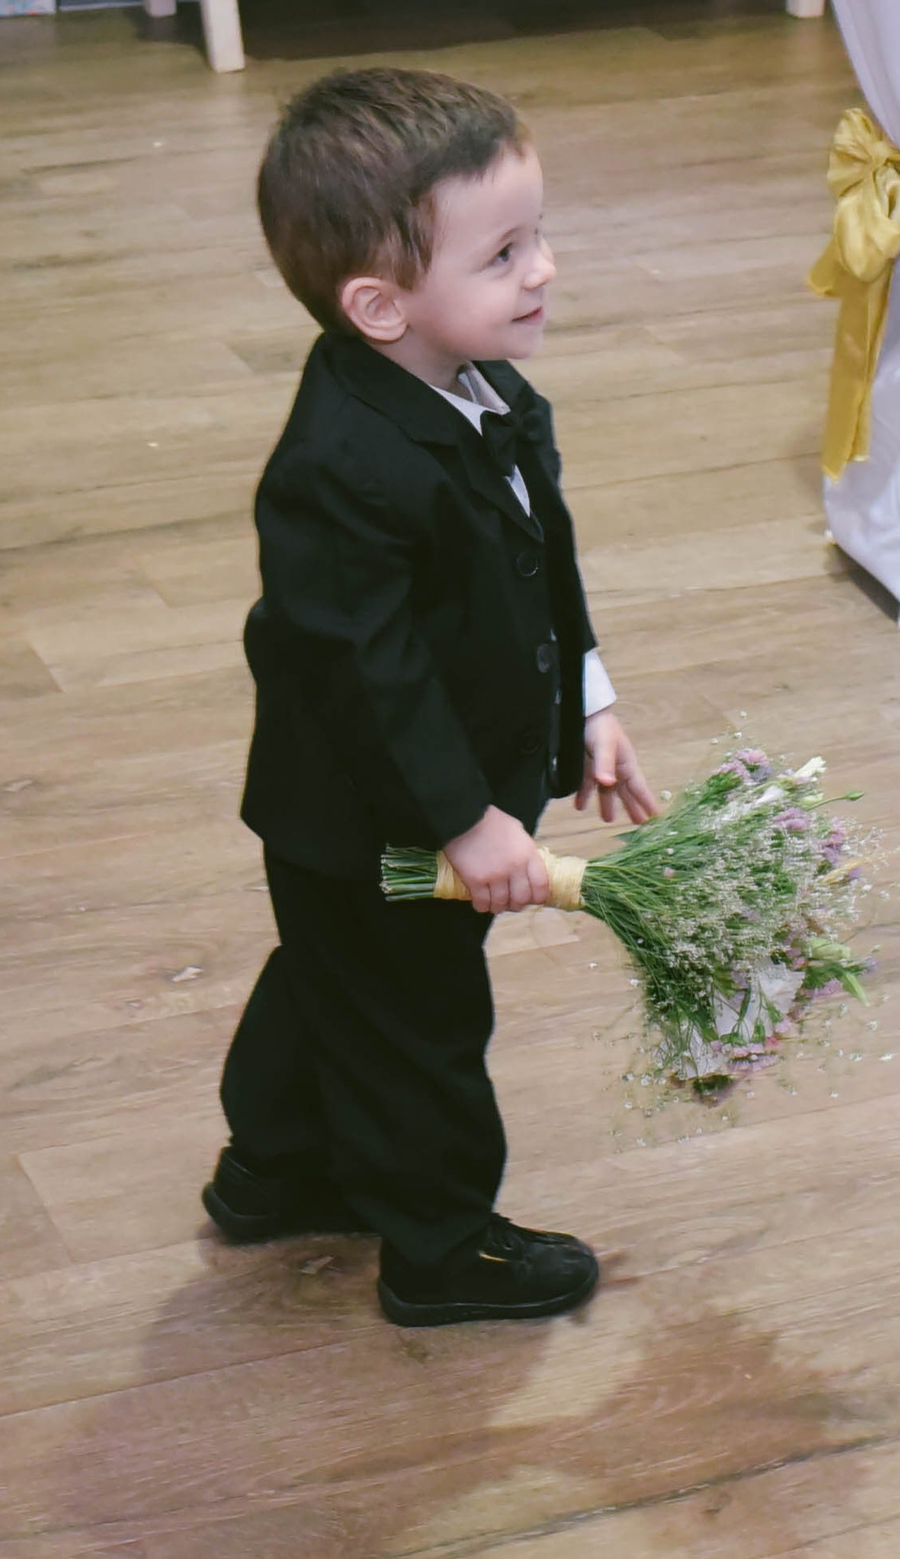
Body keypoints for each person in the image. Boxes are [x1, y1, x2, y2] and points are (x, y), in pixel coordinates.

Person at [208, 67, 659, 1327]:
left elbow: (538, 562)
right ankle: (443, 1247)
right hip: (376, 807)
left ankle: (277, 1167)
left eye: (539, 237)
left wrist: (587, 697)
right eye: (503, 252)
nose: (544, 270)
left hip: (416, 799)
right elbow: (368, 669)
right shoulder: (340, 469)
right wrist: (463, 817)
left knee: (336, 981)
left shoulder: (482, 387)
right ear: (379, 305)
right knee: (419, 1025)